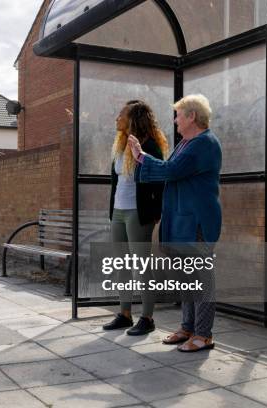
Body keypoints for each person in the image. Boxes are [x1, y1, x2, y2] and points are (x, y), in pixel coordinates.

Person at [128, 94, 222, 352]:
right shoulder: (186, 143)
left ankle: (204, 334)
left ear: (192, 116)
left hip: (198, 224)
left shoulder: (204, 144)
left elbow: (171, 170)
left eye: (178, 115)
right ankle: (188, 327)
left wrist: (142, 156)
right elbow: (172, 169)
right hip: (182, 223)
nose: (175, 120)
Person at [102, 100, 168, 335]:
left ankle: (147, 318)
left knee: (141, 266)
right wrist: (112, 210)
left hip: (138, 213)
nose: (117, 118)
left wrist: (156, 211)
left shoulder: (149, 145)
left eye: (121, 114)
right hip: (119, 212)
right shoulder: (120, 145)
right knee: (121, 265)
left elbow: (160, 178)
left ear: (133, 119)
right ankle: (125, 314)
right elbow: (117, 181)